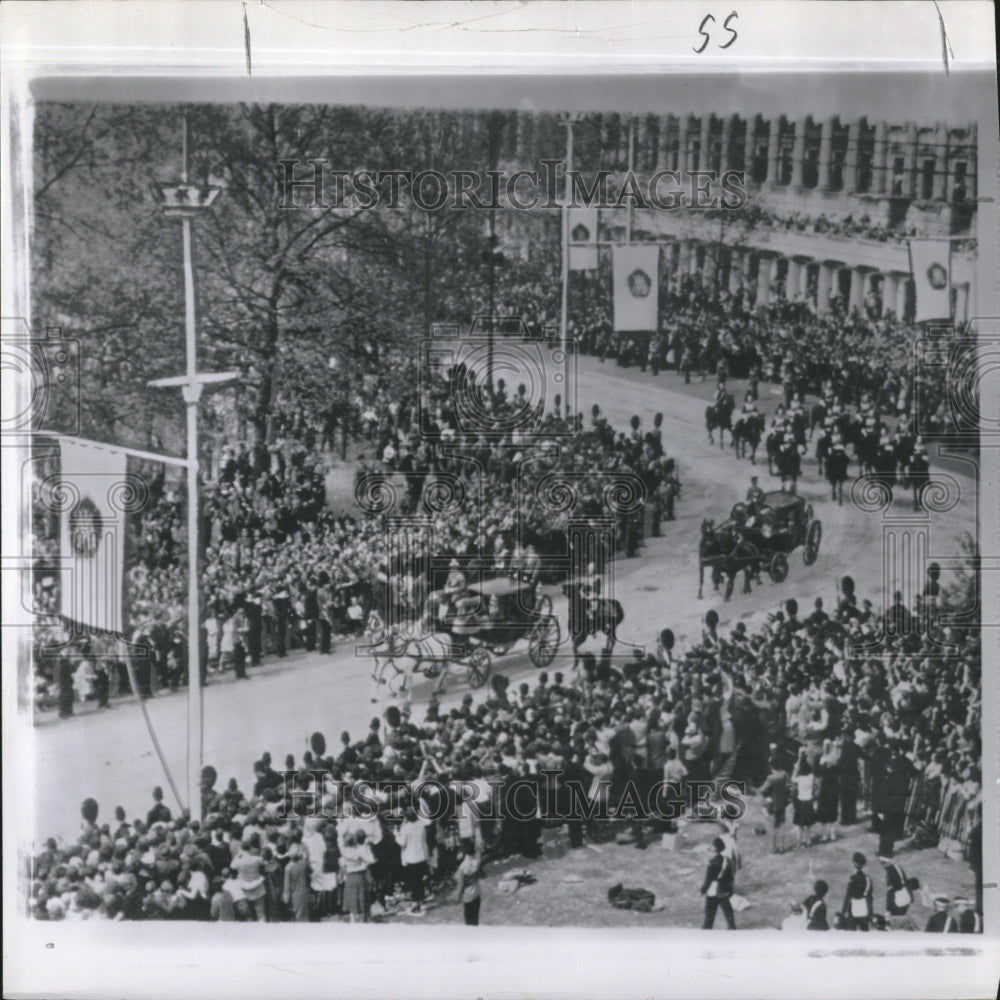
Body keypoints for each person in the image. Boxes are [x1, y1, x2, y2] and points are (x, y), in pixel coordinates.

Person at [395, 807, 431, 915]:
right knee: (419, 881)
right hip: (421, 856)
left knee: (413, 882)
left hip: (411, 858)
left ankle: (416, 905)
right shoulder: (421, 825)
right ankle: (420, 902)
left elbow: (402, 843)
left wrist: (396, 834)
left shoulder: (406, 828)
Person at [700, 837, 736, 930]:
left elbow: (708, 879)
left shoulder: (712, 862)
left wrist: (703, 890)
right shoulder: (726, 860)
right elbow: (730, 877)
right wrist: (730, 890)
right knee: (729, 917)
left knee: (709, 919)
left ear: (715, 848)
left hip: (712, 891)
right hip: (723, 891)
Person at [760, 756, 791, 854]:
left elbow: (762, 790)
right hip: (782, 803)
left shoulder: (771, 778)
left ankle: (773, 848)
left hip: (772, 804)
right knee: (782, 825)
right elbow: (789, 786)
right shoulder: (784, 775)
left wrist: (767, 797)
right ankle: (782, 847)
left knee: (772, 826)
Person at [454, 838, 483, 926]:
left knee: (469, 922)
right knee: (475, 920)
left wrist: (457, 897)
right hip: (477, 894)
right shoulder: (477, 861)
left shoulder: (463, 867)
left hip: (467, 897)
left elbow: (460, 884)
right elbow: (479, 853)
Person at [842, 852, 874, 931]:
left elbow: (848, 895)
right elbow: (870, 897)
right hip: (864, 908)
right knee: (865, 933)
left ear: (854, 863)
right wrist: (870, 913)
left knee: (851, 934)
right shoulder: (867, 878)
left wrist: (844, 911)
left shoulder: (853, 877)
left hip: (854, 908)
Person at [282, 844, 311, 922]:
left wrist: (286, 899)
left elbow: (287, 886)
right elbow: (310, 871)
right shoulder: (303, 864)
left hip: (294, 895)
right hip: (304, 892)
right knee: (305, 914)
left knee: (297, 916)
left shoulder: (288, 868)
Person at [792, 754, 815, 848]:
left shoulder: (799, 779)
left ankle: (799, 842)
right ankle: (808, 840)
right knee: (808, 824)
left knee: (799, 824)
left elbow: (792, 778)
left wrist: (796, 768)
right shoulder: (811, 777)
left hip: (801, 801)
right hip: (809, 801)